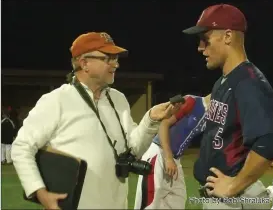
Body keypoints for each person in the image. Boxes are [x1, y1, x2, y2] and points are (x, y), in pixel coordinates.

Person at [11, 32, 181, 209]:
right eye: (108, 58)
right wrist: (39, 191)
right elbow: (21, 147)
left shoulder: (119, 99)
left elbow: (134, 149)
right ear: (84, 63)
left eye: (116, 58)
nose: (116, 64)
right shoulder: (57, 100)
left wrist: (151, 119)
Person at [182, 4, 273, 209]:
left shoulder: (248, 82)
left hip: (233, 199)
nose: (200, 48)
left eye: (205, 39)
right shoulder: (224, 81)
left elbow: (268, 141)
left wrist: (233, 186)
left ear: (227, 36)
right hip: (222, 196)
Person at [134, 94, 211, 209]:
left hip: (175, 159)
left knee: (177, 200)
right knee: (149, 203)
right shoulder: (192, 101)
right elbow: (164, 124)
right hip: (159, 153)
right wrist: (168, 158)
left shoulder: (212, 116)